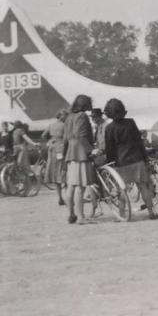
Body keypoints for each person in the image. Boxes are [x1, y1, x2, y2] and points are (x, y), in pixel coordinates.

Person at [103, 98, 157, 219]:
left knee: (122, 189)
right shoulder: (130, 122)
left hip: (122, 162)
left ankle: (122, 214)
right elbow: (139, 141)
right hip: (137, 158)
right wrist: (145, 157)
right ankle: (151, 212)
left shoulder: (109, 128)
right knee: (143, 186)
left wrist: (111, 163)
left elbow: (110, 149)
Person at [62, 95, 97, 224]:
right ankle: (81, 217)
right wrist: (90, 150)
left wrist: (65, 155)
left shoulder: (69, 117)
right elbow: (81, 136)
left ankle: (71, 214)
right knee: (80, 186)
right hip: (81, 153)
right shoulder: (82, 116)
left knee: (71, 186)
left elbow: (65, 139)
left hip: (71, 153)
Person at [42, 109, 68, 206]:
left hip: (52, 149)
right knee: (64, 172)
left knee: (55, 172)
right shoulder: (65, 125)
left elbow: (43, 135)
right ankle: (68, 196)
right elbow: (66, 139)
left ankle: (60, 197)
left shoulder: (51, 124)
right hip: (61, 148)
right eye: (65, 115)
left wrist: (50, 141)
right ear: (62, 116)